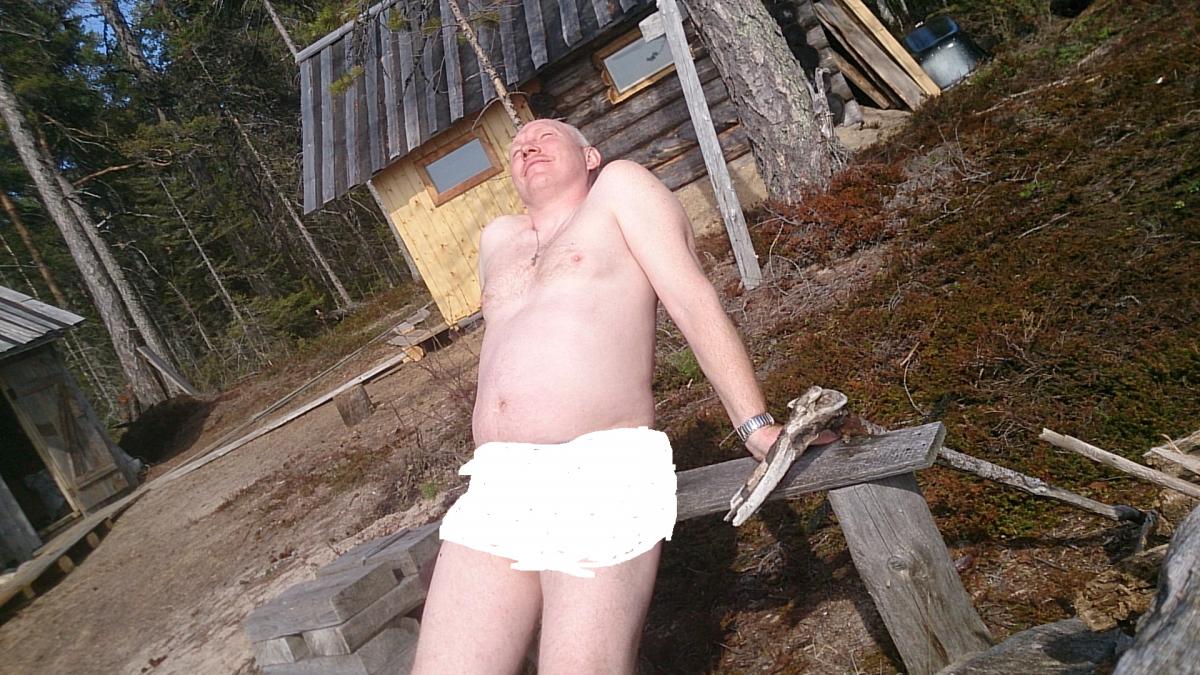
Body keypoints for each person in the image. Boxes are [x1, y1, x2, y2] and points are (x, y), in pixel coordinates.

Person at [411, 119, 828, 674]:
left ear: (590, 156)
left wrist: (754, 424)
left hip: (599, 469)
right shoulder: (498, 240)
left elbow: (692, 299)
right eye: (515, 149)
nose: (527, 147)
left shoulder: (619, 189)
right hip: (498, 482)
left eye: (544, 137)